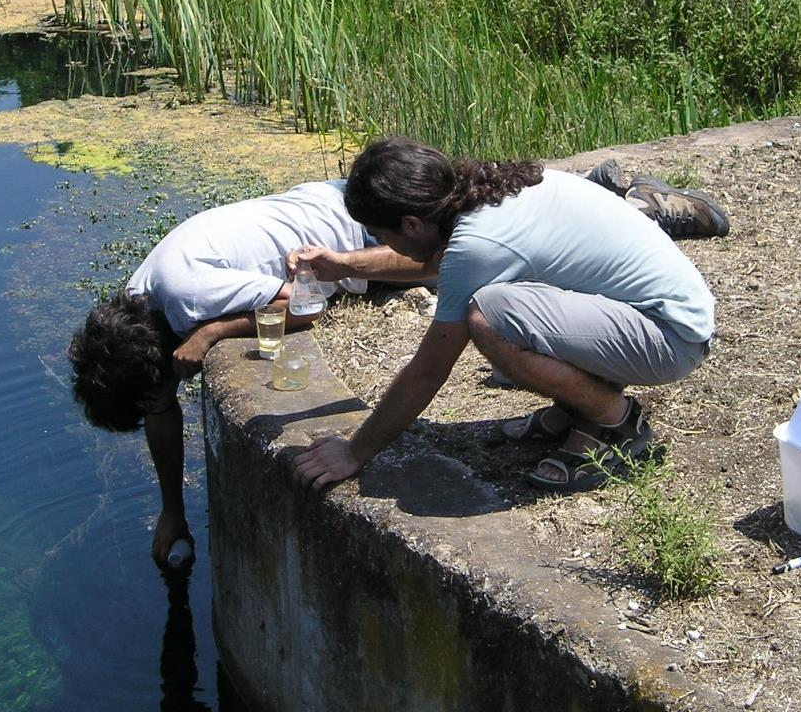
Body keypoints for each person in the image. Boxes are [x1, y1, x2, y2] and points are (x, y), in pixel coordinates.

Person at [292, 137, 716, 493]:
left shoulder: (477, 244)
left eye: (382, 236)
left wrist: (355, 451)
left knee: (489, 316)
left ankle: (614, 422)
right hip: (654, 316)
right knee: (500, 303)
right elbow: (446, 263)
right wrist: (345, 265)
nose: (385, 244)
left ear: (412, 223)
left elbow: (428, 370)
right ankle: (577, 406)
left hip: (668, 339)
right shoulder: (485, 192)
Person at [67, 180, 428, 563]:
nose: (159, 402)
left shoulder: (188, 298)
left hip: (362, 231)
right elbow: (159, 409)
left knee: (459, 264)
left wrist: (212, 332)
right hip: (323, 198)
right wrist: (173, 510)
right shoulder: (138, 303)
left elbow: (307, 305)